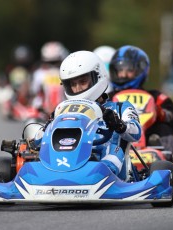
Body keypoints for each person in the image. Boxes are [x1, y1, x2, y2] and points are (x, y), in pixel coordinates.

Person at [36, 50, 142, 181]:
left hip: (111, 165)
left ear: (98, 77)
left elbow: (136, 133)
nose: (78, 88)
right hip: (69, 158)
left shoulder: (120, 107)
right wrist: (48, 127)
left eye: (83, 82)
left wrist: (118, 124)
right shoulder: (63, 110)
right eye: (73, 84)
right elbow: (37, 140)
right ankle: (52, 173)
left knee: (116, 144)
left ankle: (101, 174)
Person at [108, 45, 173, 153]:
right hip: (116, 140)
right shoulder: (108, 97)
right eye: (119, 70)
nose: (123, 74)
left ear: (140, 70)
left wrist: (160, 113)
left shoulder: (157, 97)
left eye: (128, 69)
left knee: (164, 128)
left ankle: (163, 154)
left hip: (149, 141)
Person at [30, 41, 69, 117]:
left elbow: (33, 91)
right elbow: (35, 92)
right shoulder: (39, 74)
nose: (53, 65)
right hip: (44, 111)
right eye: (51, 62)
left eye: (55, 62)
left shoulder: (38, 74)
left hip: (63, 109)